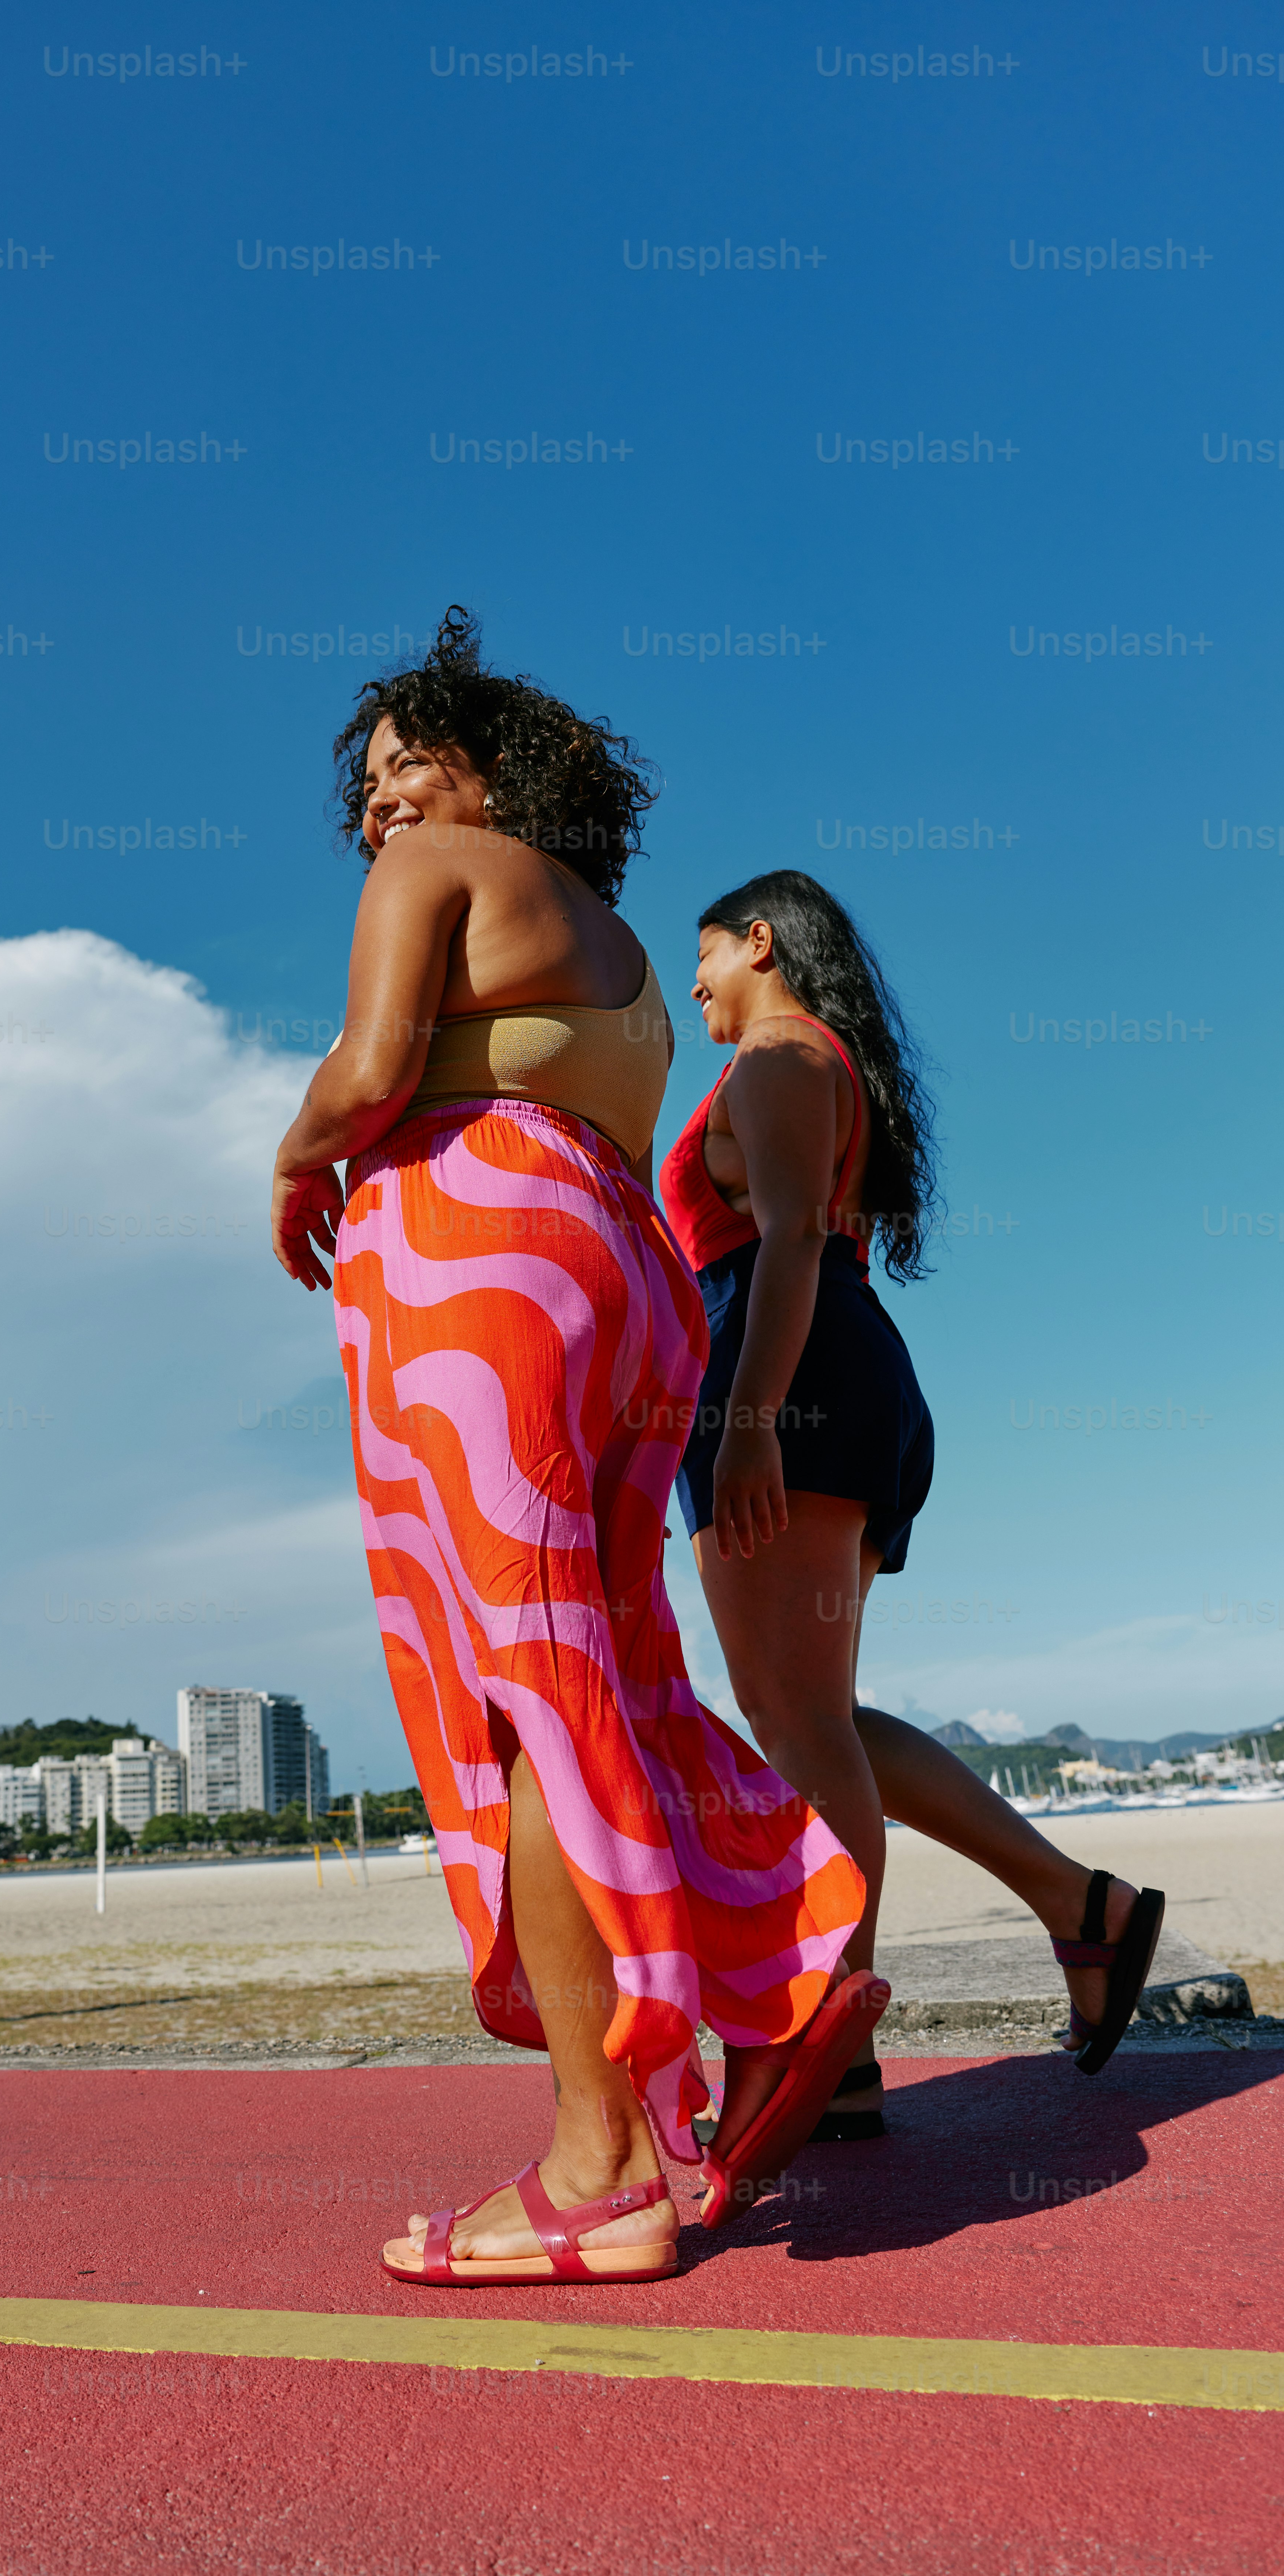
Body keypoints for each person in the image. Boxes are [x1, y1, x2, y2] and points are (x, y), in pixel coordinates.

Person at [270, 616, 885, 2287]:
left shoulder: (441, 874)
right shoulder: (609, 942)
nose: (390, 793)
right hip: (617, 1281)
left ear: (489, 773)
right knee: (606, 1664)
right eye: (375, 773)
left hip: (479, 1270)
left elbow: (377, 1066)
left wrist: (292, 1153)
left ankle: (599, 2159)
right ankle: (771, 1971)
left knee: (516, 1689)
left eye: (419, 755)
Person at [660, 871, 1165, 2136]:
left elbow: (780, 1240)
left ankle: (821, 2041)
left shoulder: (776, 1058)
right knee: (811, 1714)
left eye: (705, 956)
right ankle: (1080, 1909)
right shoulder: (816, 1061)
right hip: (830, 1362)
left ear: (759, 942)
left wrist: (750, 1424)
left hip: (785, 1372)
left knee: (795, 1722)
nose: (696, 984)